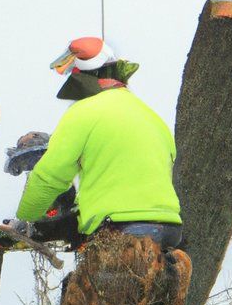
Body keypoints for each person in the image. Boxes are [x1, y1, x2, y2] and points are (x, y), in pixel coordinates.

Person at [12, 38, 183, 250]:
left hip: (119, 229)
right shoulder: (152, 117)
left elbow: (50, 177)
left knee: (85, 284)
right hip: (170, 229)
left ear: (83, 76)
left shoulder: (82, 112)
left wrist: (24, 221)